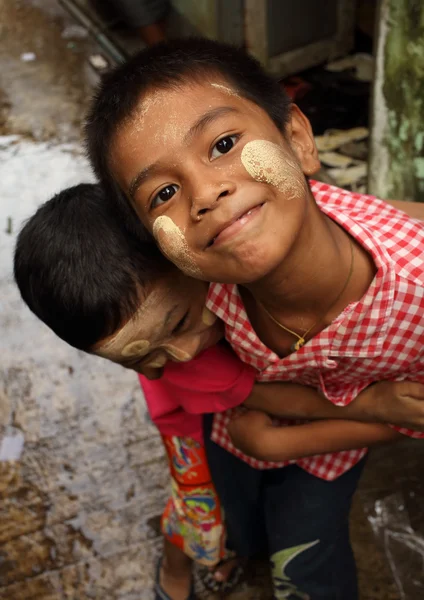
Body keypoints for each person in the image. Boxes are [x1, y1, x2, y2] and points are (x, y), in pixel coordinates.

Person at [84, 38, 424, 598]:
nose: (206, 192)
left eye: (222, 143)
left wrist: (372, 410)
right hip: (231, 437)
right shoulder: (191, 296)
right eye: (164, 192)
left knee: (306, 561)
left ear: (298, 139)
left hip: (333, 451)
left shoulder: (410, 297)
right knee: (239, 524)